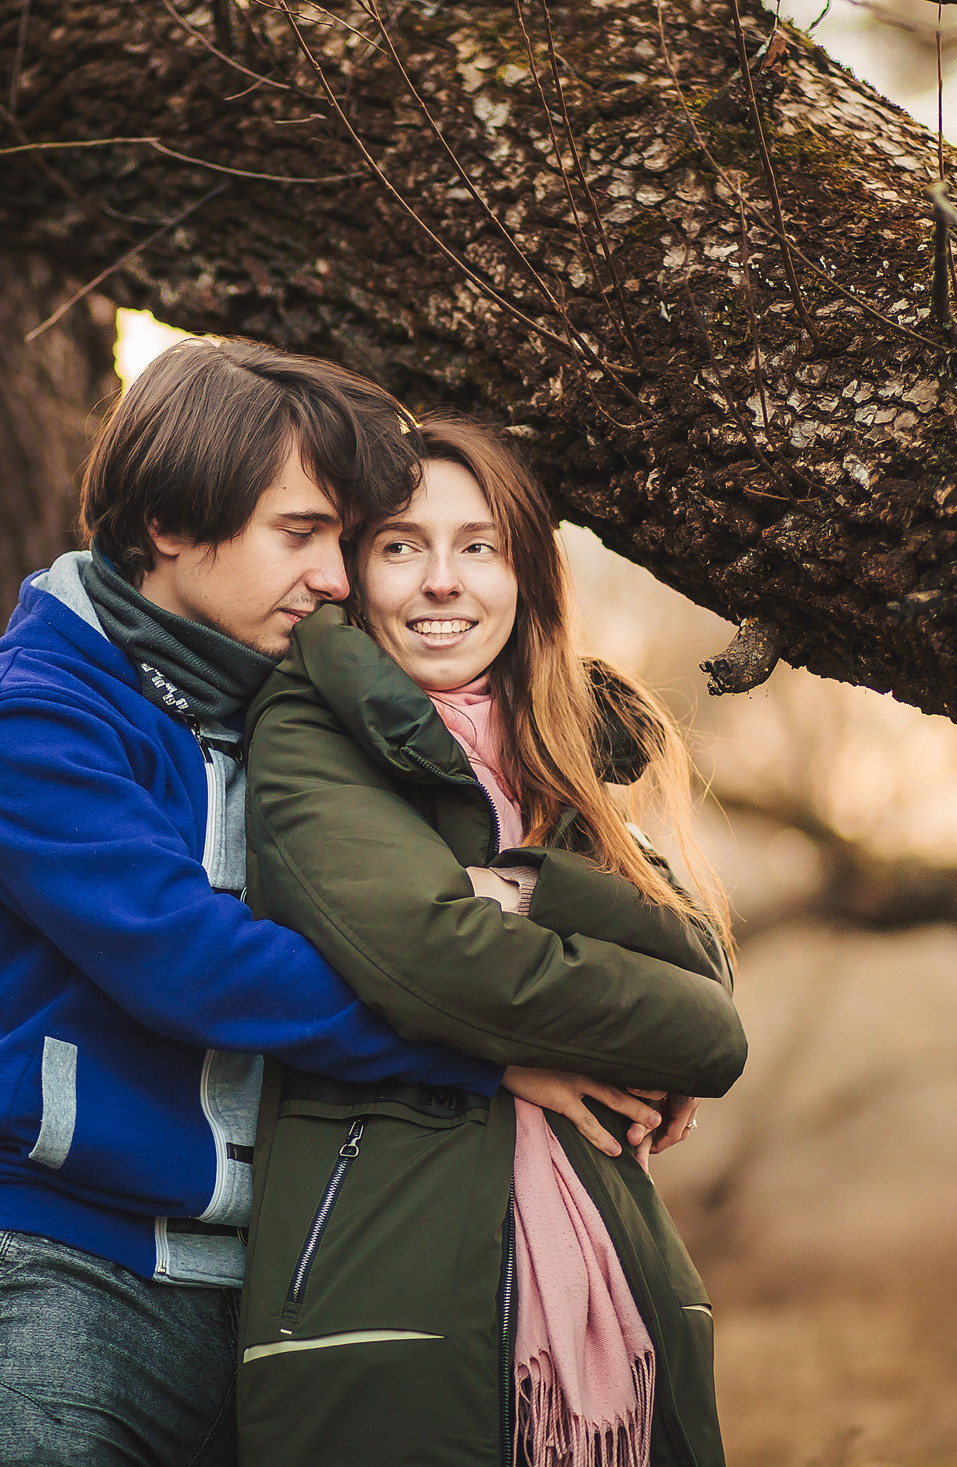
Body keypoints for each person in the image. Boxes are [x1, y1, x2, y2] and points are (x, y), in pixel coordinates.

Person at [0, 340, 610, 1467]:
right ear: (169, 526)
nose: (336, 578)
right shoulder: (25, 718)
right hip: (63, 1274)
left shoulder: (296, 712)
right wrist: (488, 1054)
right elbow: (193, 962)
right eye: (300, 535)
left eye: (343, 540)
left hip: (293, 1276)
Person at [236, 413, 745, 1466]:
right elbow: (435, 962)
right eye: (399, 547)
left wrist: (519, 889)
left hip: (622, 1297)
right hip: (389, 1296)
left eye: (480, 547)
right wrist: (537, 987)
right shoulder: (308, 727)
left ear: (526, 576)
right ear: (354, 573)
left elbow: (707, 1010)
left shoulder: (569, 752)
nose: (442, 582)